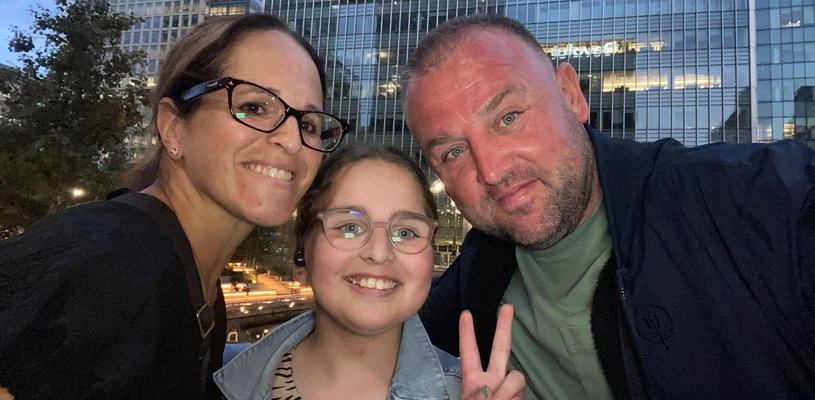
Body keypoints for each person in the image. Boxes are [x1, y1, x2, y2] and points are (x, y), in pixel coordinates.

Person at [402, 14, 815, 400]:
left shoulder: (748, 202)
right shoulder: (477, 270)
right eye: (454, 152)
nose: (491, 171)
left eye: (508, 118)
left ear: (571, 96)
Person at [0, 14, 349, 399]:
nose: (293, 141)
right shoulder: (112, 271)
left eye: (310, 125)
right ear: (172, 126)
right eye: (254, 107)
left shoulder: (194, 286)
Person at [214, 145, 526, 400]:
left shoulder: (467, 394)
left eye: (405, 232)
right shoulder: (219, 381)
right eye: (349, 227)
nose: (379, 252)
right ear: (300, 255)